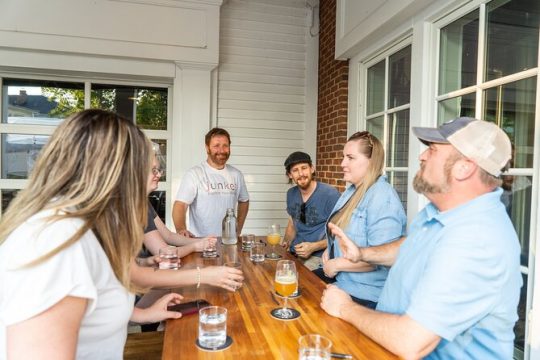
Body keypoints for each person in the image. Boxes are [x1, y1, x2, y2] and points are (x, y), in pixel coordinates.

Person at [321, 117, 522, 359]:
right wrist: (362, 253)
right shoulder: (440, 211)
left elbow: (412, 341)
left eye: (433, 149)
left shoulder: (478, 239)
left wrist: (344, 307)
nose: (422, 156)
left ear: (464, 167)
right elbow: (411, 245)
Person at [0, 109, 184, 359]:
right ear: (115, 171)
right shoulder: (59, 241)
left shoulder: (89, 226)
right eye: (144, 164)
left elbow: (93, 298)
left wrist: (145, 314)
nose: (154, 173)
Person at [321, 131, 406, 307]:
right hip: (343, 282)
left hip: (366, 294)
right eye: (344, 157)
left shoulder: (382, 196)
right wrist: (331, 250)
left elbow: (381, 259)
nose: (343, 163)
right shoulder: (351, 191)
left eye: (350, 158)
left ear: (371, 161)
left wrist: (337, 264)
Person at [138, 154, 216, 263]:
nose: (159, 174)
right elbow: (164, 253)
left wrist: (201, 240)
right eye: (154, 170)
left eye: (158, 170)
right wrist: (195, 246)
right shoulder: (135, 205)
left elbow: (168, 236)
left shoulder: (142, 202)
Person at [172, 127, 249, 237]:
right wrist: (181, 229)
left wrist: (238, 228)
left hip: (229, 241)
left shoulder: (236, 174)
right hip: (201, 243)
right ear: (207, 148)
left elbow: (244, 200)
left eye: (225, 145)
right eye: (216, 146)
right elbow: (180, 205)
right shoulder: (195, 174)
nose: (222, 150)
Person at [281, 151, 340, 272]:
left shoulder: (330, 194)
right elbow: (293, 222)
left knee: (296, 283)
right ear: (290, 175)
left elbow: (341, 233)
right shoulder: (291, 194)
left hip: (318, 257)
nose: (301, 174)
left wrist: (313, 247)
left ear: (312, 169)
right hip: (294, 252)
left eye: (304, 168)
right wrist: (285, 243)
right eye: (295, 170)